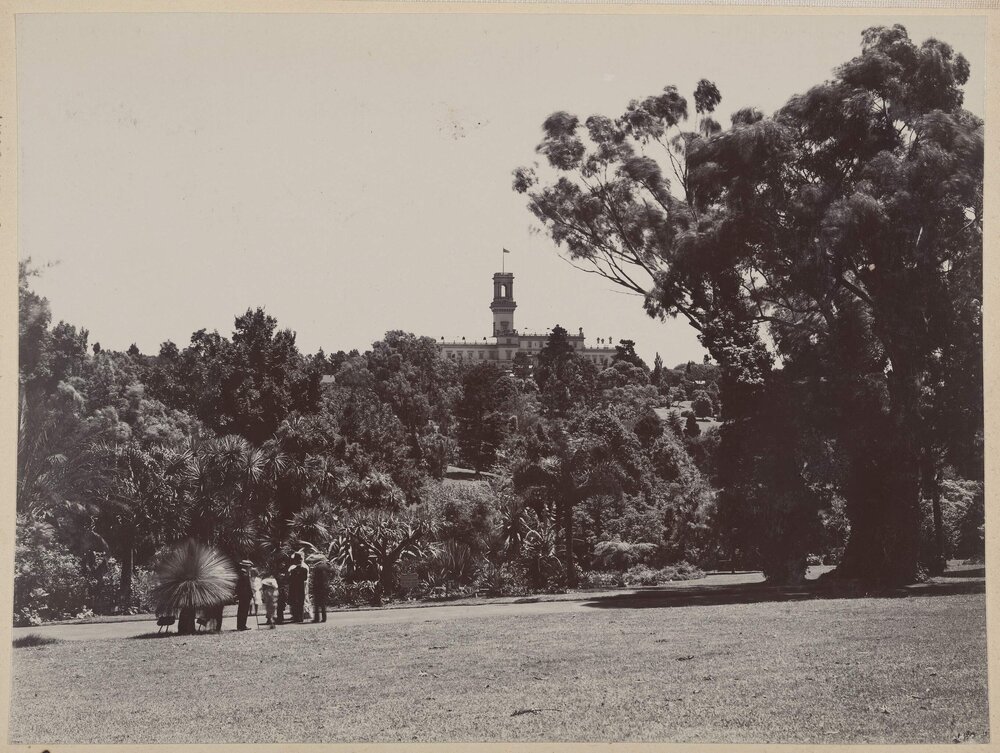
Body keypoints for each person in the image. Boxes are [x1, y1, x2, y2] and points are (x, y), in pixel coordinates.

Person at [308, 554, 333, 623]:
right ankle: (324, 618)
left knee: (316, 603)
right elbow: (333, 572)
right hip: (325, 586)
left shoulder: (317, 567)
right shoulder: (327, 566)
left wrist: (313, 586)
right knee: (323, 603)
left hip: (318, 587)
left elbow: (315, 579)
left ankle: (317, 618)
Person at [287, 553, 309, 623]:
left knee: (295, 602)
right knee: (301, 602)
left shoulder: (293, 570)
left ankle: (296, 617)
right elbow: (305, 578)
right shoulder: (304, 569)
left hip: (294, 587)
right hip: (301, 587)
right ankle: (300, 617)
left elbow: (290, 579)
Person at [236, 560, 254, 631]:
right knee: (244, 610)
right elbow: (247, 586)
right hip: (245, 595)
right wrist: (251, 593)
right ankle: (242, 625)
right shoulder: (244, 574)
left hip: (242, 595)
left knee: (241, 610)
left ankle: (240, 625)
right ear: (247, 566)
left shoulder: (241, 573)